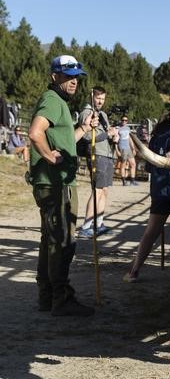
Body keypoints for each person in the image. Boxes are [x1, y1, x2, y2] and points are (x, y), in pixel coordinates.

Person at [28, 55, 98, 316]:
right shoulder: (52, 101)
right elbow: (35, 133)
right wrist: (48, 156)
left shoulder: (59, 104)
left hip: (52, 183)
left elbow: (65, 140)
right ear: (54, 76)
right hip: (56, 184)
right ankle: (62, 299)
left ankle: (46, 296)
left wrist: (82, 128)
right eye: (67, 76)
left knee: (50, 239)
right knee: (62, 240)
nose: (73, 81)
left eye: (76, 76)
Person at [123, 106, 170, 282]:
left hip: (159, 190)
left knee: (151, 230)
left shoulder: (156, 137)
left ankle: (134, 270)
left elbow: (148, 167)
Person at [77, 86, 119, 238]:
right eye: (98, 98)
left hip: (107, 154)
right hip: (96, 154)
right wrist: (107, 135)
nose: (100, 101)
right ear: (91, 97)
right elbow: (87, 137)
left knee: (104, 190)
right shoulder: (86, 113)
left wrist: (114, 137)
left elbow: (106, 134)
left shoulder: (103, 115)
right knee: (97, 190)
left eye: (102, 98)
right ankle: (86, 226)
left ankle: (99, 223)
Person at [116, 115, 138, 186]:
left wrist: (133, 148)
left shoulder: (128, 128)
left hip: (128, 148)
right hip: (122, 148)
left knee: (133, 164)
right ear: (121, 120)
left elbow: (129, 139)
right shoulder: (118, 129)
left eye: (126, 120)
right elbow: (115, 141)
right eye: (123, 120)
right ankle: (124, 181)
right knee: (123, 164)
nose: (124, 121)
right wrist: (117, 150)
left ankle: (132, 180)